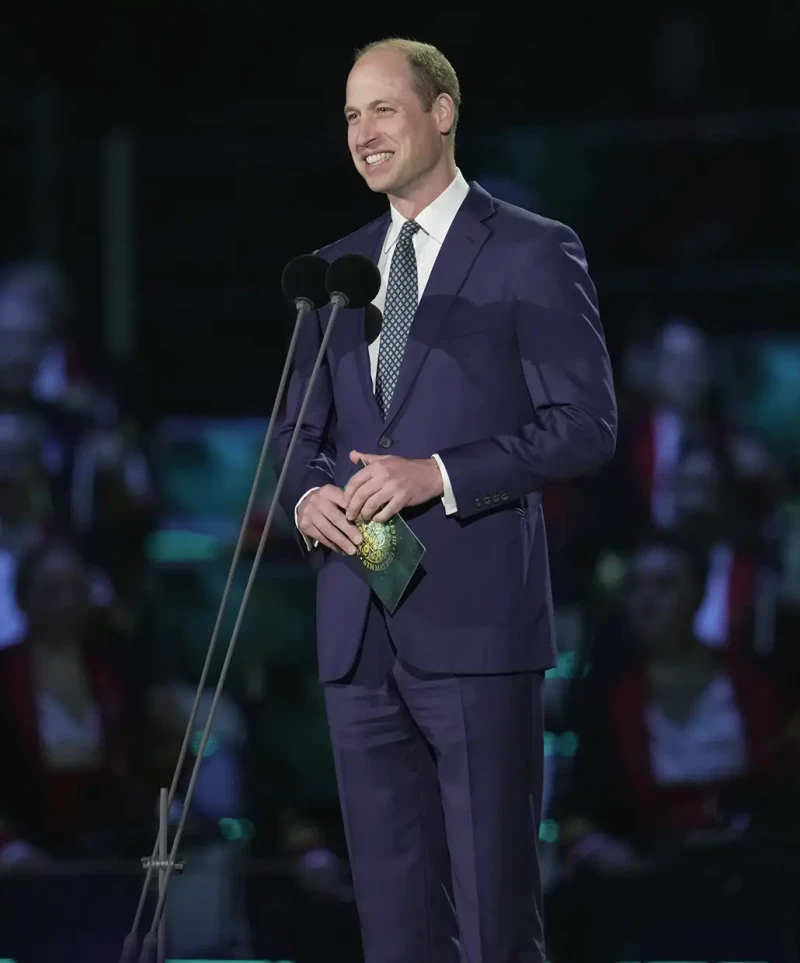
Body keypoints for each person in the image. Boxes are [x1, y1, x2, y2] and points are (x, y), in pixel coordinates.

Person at [277, 38, 617, 962]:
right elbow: (293, 439)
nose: (362, 132)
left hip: (476, 624)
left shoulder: (533, 251)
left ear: (441, 113)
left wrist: (441, 472)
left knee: (495, 914)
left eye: (382, 108)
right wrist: (308, 496)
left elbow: (584, 424)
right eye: (350, 115)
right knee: (393, 925)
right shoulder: (337, 272)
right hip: (358, 624)